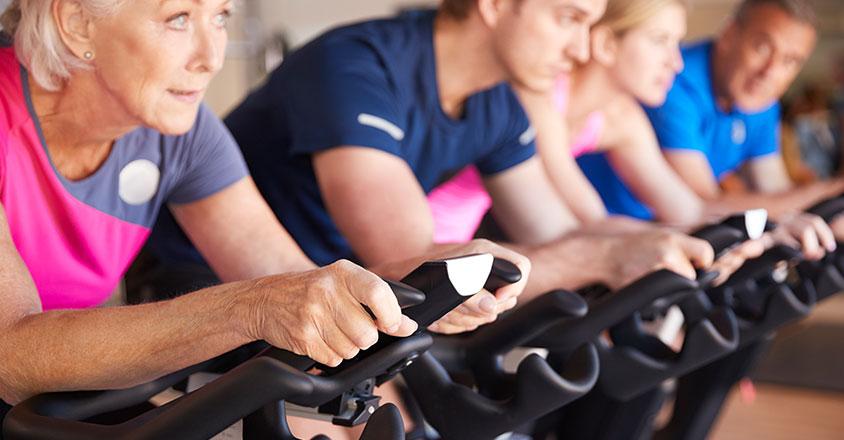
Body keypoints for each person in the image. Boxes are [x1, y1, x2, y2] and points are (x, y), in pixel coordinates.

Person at [0, 0, 529, 427]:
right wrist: (249, 307)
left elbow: (288, 277)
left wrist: (417, 286)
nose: (211, 56)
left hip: (56, 406)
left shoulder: (184, 135)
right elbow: (10, 358)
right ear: (77, 22)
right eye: (178, 18)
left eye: (221, 16)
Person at [146, 0, 743, 311]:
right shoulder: (356, 66)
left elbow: (557, 228)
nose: (582, 47)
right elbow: (413, 262)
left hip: (334, 285)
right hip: (207, 289)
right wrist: (605, 258)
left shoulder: (497, 103)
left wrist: (681, 242)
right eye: (569, 18)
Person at [578, 0, 844, 258]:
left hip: (633, 234)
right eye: (762, 47)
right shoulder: (672, 87)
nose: (770, 72)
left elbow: (703, 210)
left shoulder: (627, 119)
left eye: (790, 61)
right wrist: (828, 190)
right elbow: (704, 202)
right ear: (729, 35)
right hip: (621, 234)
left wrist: (779, 228)